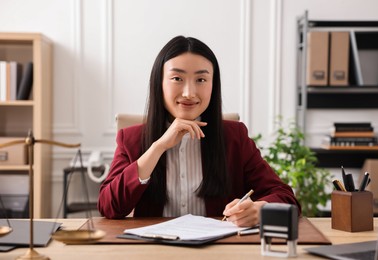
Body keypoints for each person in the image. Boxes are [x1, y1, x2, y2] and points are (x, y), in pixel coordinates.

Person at [98, 35, 300, 227]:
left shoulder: (234, 137)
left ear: (213, 85)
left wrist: (259, 209)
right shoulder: (131, 139)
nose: (189, 93)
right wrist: (158, 147)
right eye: (177, 78)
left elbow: (285, 197)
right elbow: (108, 207)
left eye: (201, 80)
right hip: (155, 250)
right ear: (159, 83)